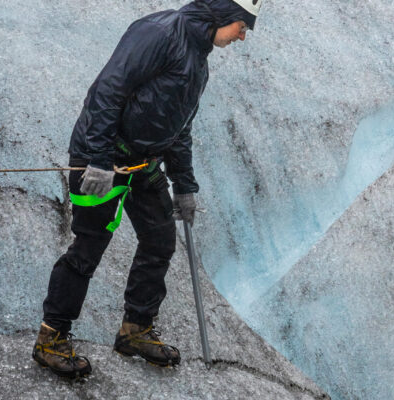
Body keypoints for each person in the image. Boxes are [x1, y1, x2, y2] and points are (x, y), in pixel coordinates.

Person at [32, 0, 262, 378]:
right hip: (103, 159)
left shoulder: (199, 62)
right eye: (242, 25)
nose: (242, 35)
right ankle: (51, 337)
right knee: (88, 247)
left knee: (159, 242)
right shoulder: (159, 33)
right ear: (222, 15)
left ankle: (135, 330)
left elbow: (179, 126)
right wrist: (100, 160)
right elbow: (108, 91)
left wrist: (184, 185)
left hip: (144, 164)